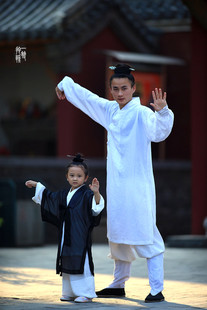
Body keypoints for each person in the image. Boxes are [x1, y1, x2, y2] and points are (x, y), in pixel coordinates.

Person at [55, 64, 174, 303]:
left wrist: (162, 113)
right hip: (118, 186)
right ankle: (118, 284)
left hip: (137, 185)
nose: (120, 93)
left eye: (124, 88)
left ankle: (156, 288)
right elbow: (89, 99)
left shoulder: (141, 113)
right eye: (116, 89)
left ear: (133, 89)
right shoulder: (110, 110)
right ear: (111, 90)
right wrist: (65, 85)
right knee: (118, 234)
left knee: (146, 234)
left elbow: (158, 133)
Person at [25, 153, 104, 303]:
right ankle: (69, 291)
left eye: (79, 176)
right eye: (72, 175)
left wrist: (96, 193)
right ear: (67, 177)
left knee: (82, 260)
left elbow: (97, 208)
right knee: (66, 258)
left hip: (80, 233)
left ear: (86, 178)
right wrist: (37, 185)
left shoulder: (88, 194)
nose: (75, 178)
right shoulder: (64, 194)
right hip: (66, 233)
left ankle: (86, 293)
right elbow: (49, 197)